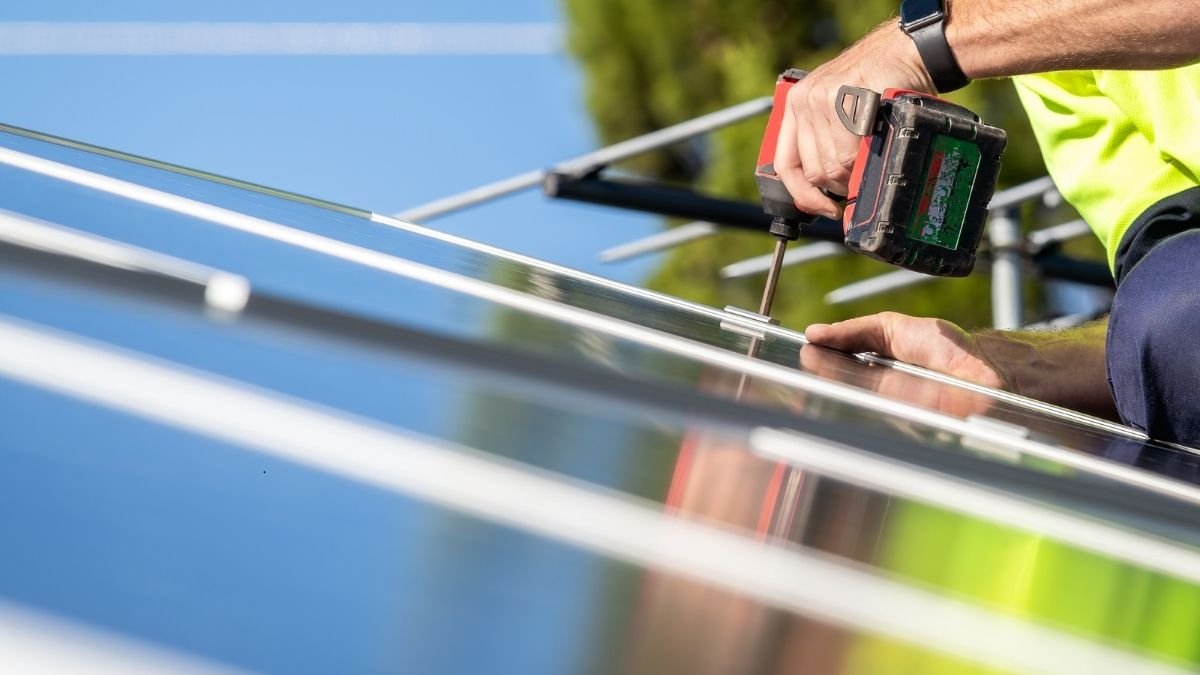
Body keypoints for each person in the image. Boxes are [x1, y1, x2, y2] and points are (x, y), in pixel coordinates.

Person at [773, 0, 1200, 443]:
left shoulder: (990, 37)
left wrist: (926, 42)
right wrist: (1017, 366)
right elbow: (1176, 317)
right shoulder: (1048, 64)